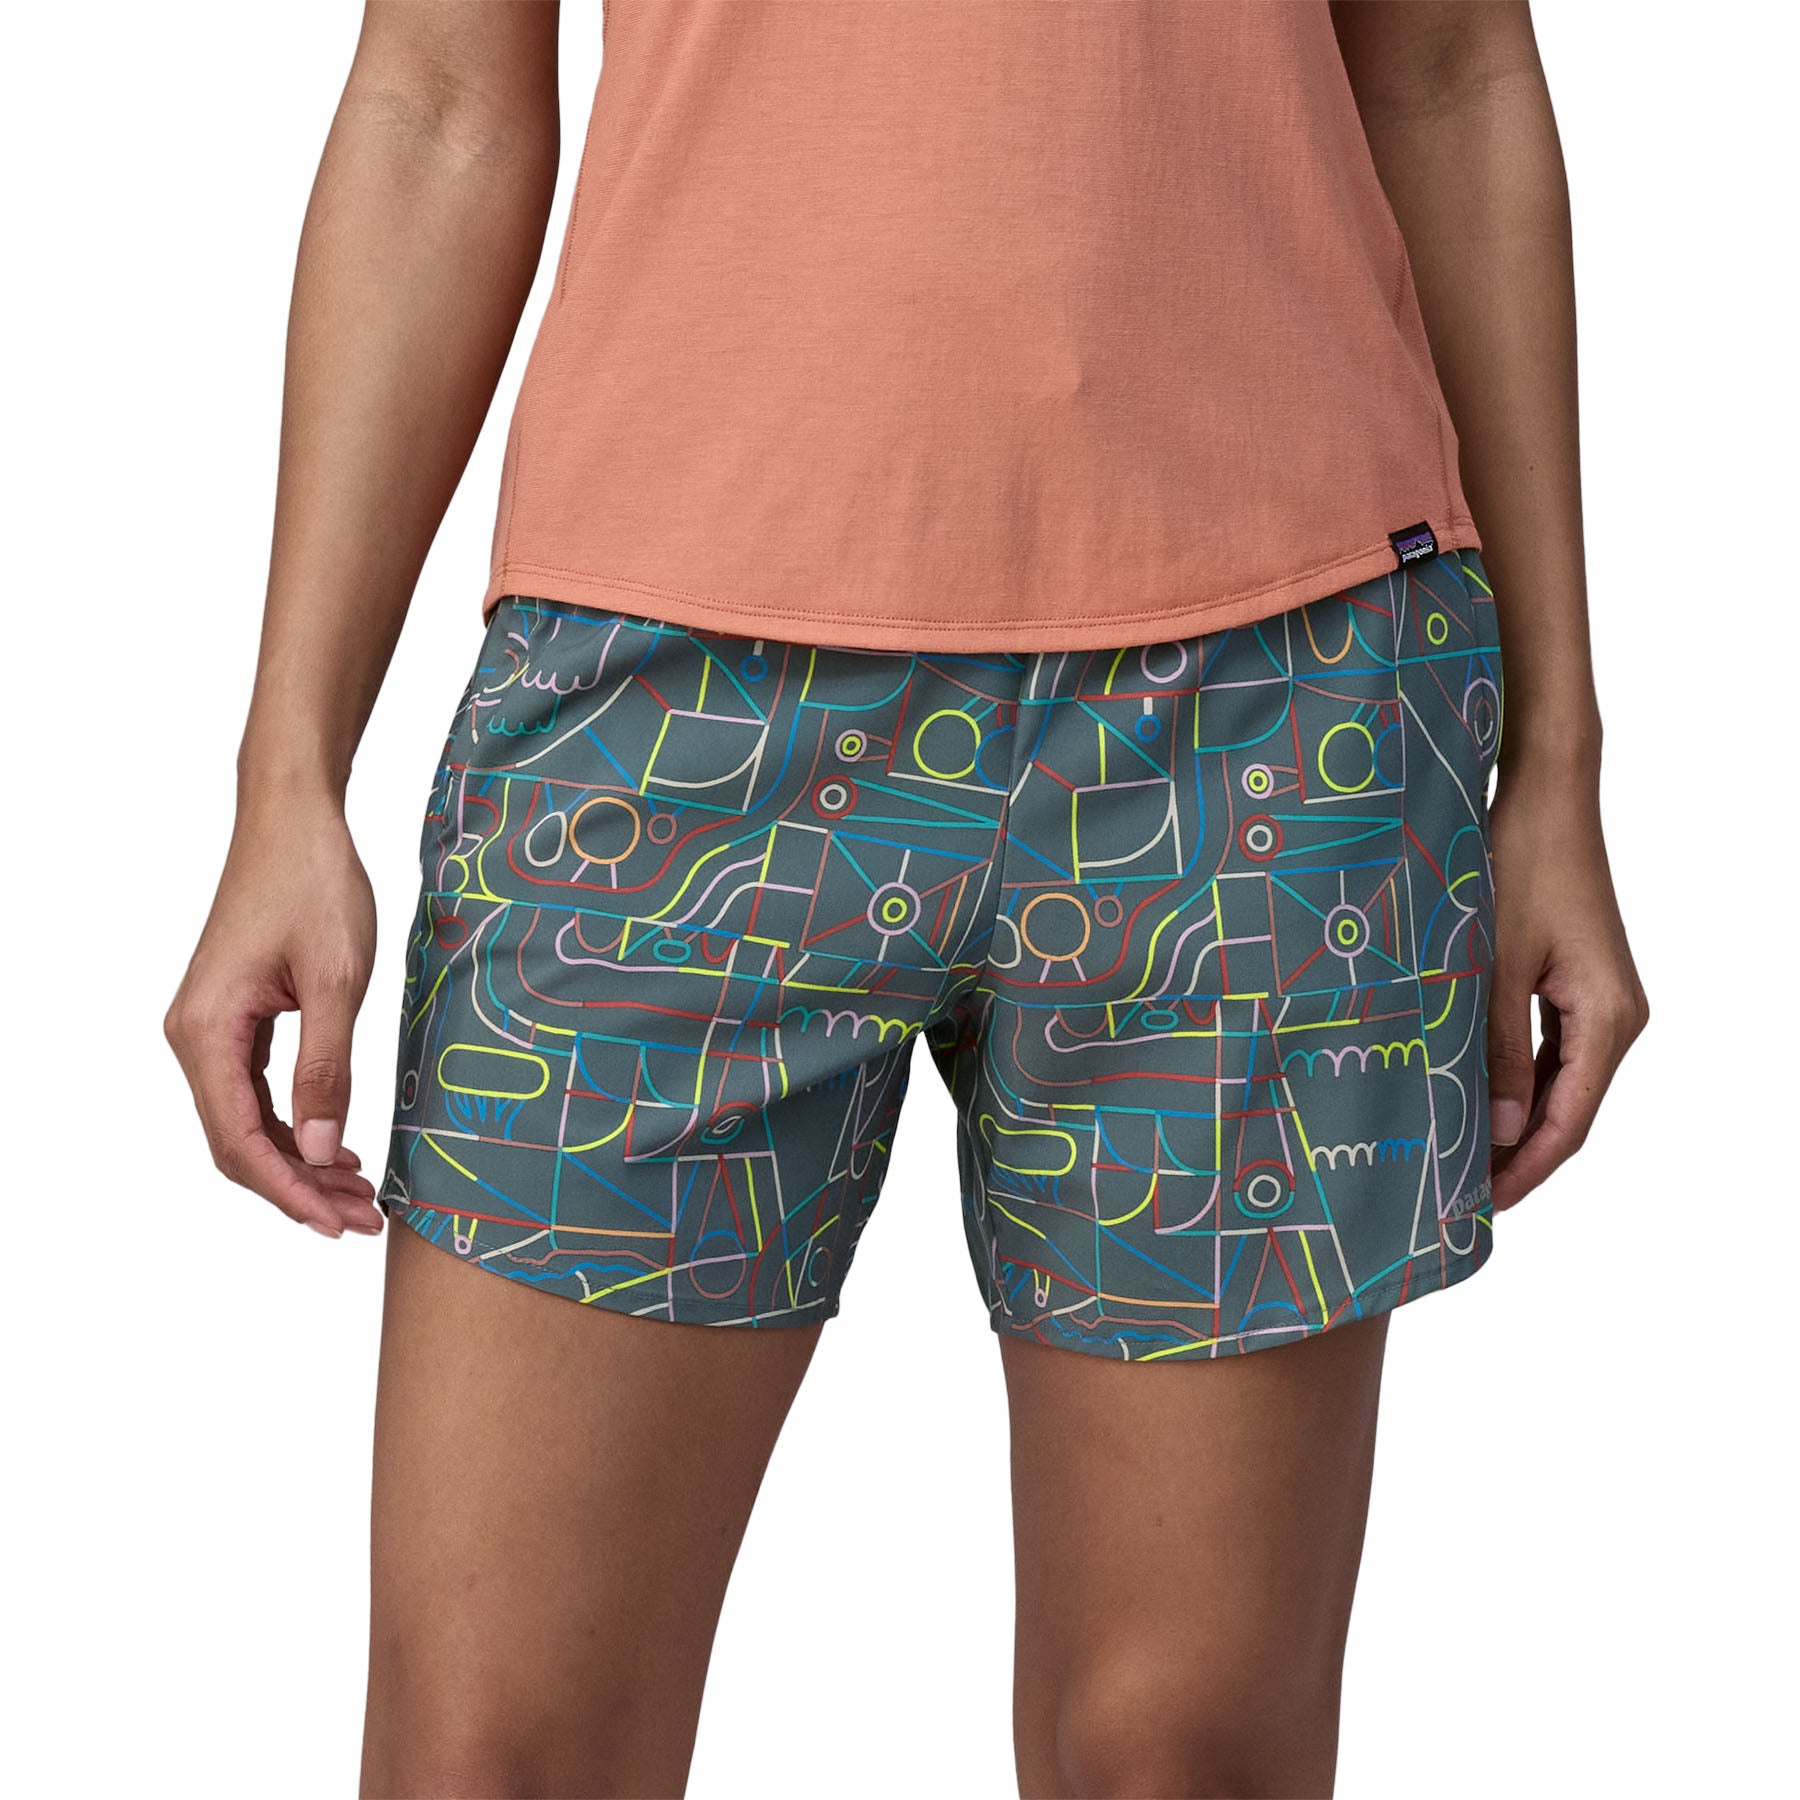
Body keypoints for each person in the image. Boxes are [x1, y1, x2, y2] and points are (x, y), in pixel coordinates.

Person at [164, 3, 1648, 1794]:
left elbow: (1452, 69)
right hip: (661, 726)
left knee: (1183, 1758)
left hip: (1267, 703)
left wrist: (1557, 763)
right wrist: (286, 774)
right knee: (494, 1752)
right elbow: (436, 101)